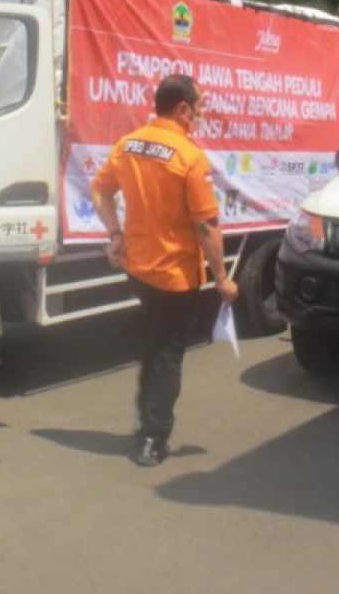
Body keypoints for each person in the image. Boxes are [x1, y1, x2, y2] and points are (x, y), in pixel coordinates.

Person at [90, 74, 238, 467]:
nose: (202, 113)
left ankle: (145, 424)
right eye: (200, 106)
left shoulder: (128, 144)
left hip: (138, 270)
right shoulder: (189, 157)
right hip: (175, 277)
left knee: (154, 347)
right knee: (168, 354)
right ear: (183, 108)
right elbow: (206, 225)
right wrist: (223, 277)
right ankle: (154, 438)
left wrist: (115, 233)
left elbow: (100, 190)